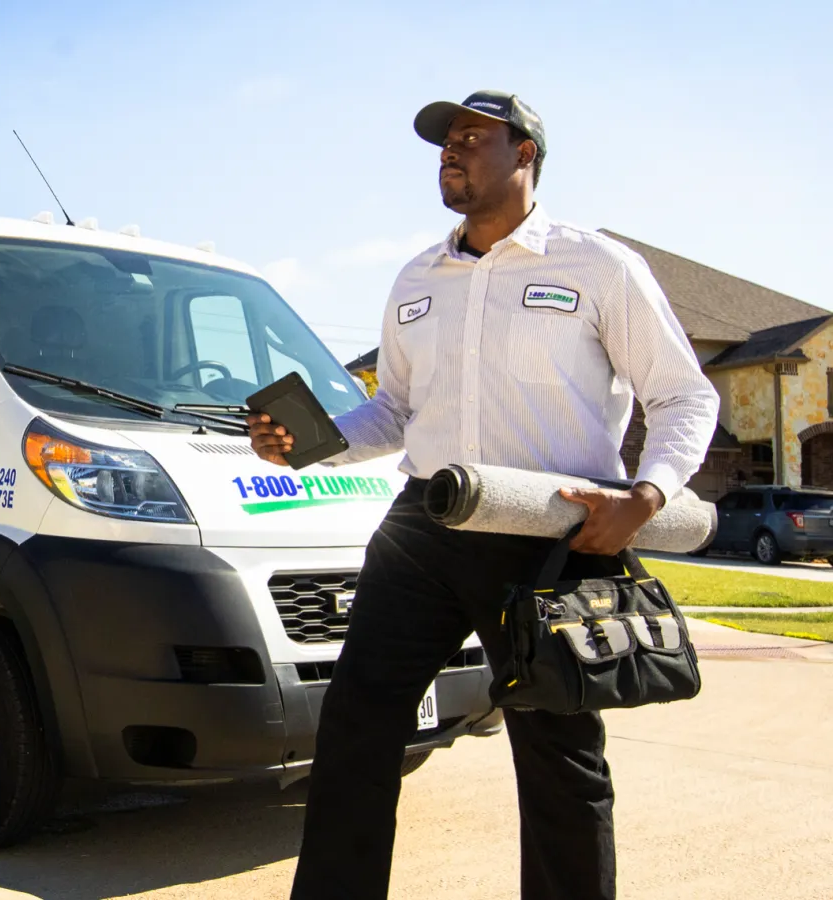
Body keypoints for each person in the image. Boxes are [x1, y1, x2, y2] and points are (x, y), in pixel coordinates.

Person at [250, 91, 720, 900]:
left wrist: (645, 496)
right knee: (358, 725)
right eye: (444, 143)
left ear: (525, 154)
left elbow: (684, 395)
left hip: (552, 534)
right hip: (423, 527)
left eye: (472, 138)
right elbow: (395, 411)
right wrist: (311, 443)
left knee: (558, 753)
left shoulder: (597, 265)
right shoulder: (416, 278)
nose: (450, 152)